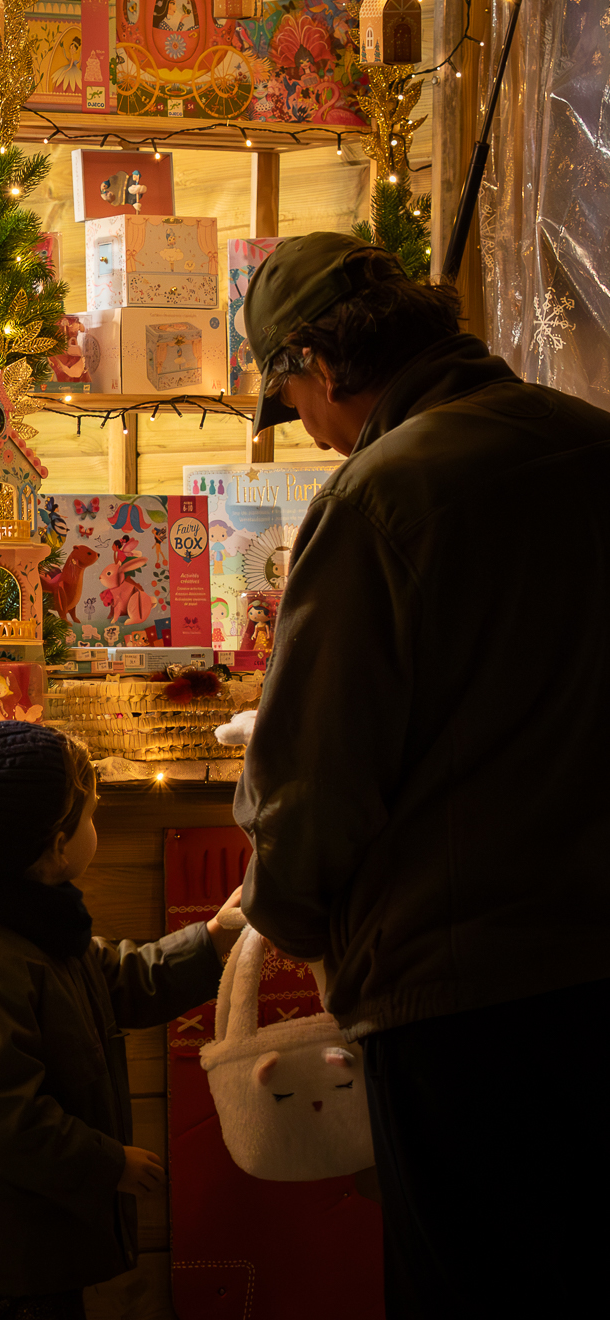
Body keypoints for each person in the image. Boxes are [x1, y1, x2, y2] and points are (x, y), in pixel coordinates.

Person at [235, 232, 610, 1317]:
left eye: (294, 395)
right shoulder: (593, 444)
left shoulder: (377, 500)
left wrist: (283, 909)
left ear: (322, 361)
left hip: (464, 998)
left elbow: (312, 777)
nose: (306, 426)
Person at [0, 723, 240, 1319]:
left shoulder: (37, 924)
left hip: (34, 1242)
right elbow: (4, 1119)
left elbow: (120, 980)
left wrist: (210, 941)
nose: (95, 828)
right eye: (91, 817)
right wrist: (109, 1164)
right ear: (53, 849)